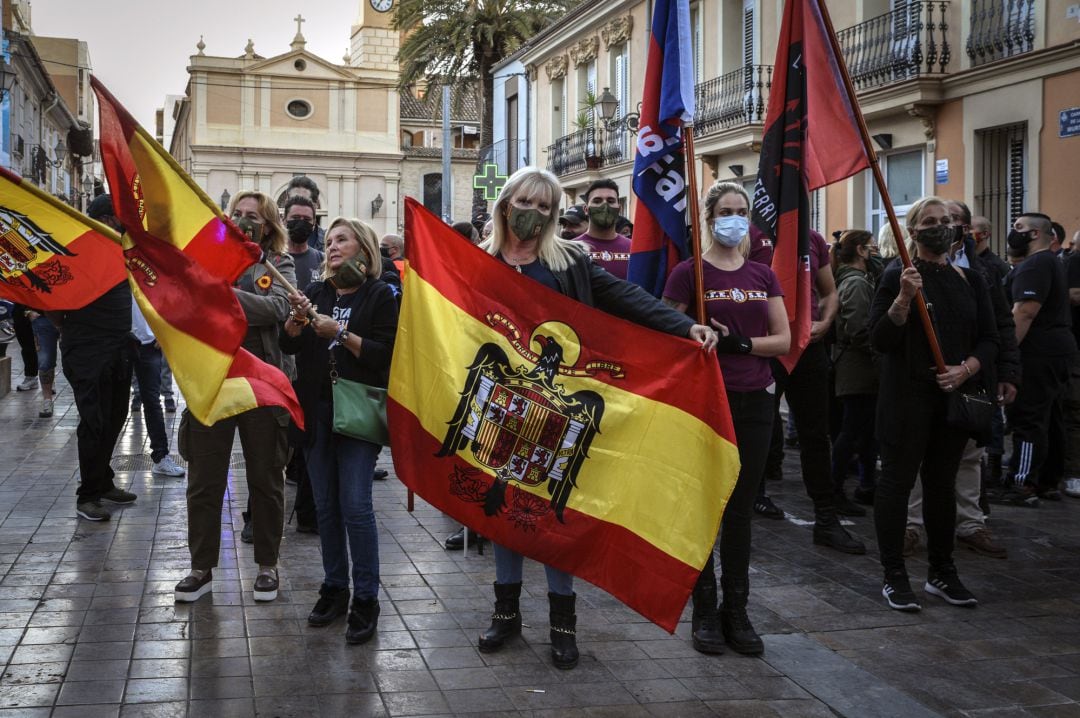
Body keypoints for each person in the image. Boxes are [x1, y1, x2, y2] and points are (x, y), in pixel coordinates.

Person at [474, 166, 717, 669]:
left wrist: (684, 325)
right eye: (527, 202)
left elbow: (626, 298)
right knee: (501, 510)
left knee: (554, 510)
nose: (534, 214)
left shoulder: (570, 261)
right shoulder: (478, 262)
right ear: (505, 204)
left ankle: (564, 626)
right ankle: (506, 615)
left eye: (546, 207)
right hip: (501, 404)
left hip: (558, 406)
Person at [663, 181, 790, 656]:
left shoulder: (763, 274)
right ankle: (704, 610)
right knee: (703, 508)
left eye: (741, 211)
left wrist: (739, 344)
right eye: (725, 211)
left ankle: (738, 611)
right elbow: (666, 329)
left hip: (755, 400)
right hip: (704, 402)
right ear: (709, 218)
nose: (734, 219)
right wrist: (693, 339)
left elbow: (783, 339)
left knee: (740, 508)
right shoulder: (688, 273)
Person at [868, 196, 998, 611]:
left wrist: (967, 369)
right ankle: (894, 576)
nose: (940, 226)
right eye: (930, 220)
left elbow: (991, 337)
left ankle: (942, 572)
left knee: (942, 485)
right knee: (897, 483)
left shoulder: (971, 280)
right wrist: (903, 299)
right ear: (913, 230)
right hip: (907, 399)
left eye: (945, 220)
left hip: (953, 397)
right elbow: (880, 339)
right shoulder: (898, 276)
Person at [174, 190, 296, 603]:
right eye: (238, 214)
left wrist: (220, 296)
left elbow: (276, 308)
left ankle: (267, 565)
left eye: (254, 217)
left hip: (259, 382)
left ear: (268, 225)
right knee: (204, 481)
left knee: (266, 478)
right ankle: (200, 567)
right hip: (213, 380)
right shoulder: (205, 262)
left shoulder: (278, 263)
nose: (245, 222)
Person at [282, 217, 398, 644]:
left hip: (357, 416)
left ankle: (366, 598)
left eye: (340, 240)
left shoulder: (379, 293)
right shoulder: (318, 292)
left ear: (362, 248)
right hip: (317, 412)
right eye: (327, 241)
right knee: (326, 507)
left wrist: (342, 333)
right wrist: (295, 323)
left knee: (355, 505)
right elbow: (290, 346)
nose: (330, 247)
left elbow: (385, 355)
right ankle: (334, 587)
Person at [989, 212, 1076, 505]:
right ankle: (1046, 481)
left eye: (1019, 228)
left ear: (1036, 234)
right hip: (1056, 351)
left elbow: (1024, 312)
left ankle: (1021, 483)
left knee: (1028, 418)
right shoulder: (1052, 262)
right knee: (1049, 418)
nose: (1013, 233)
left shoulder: (1036, 264)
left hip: (1038, 354)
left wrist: (1007, 356)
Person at [66, 194, 138, 521]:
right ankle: (87, 496)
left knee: (115, 416)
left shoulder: (120, 252)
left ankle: (103, 480)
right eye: (118, 218)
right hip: (87, 351)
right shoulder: (78, 252)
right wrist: (76, 331)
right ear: (106, 220)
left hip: (119, 348)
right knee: (93, 422)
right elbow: (54, 303)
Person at [830, 230, 880, 512]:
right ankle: (836, 489)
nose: (875, 252)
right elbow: (860, 329)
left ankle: (867, 485)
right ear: (860, 251)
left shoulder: (853, 281)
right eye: (870, 247)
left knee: (864, 432)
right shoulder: (857, 284)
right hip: (858, 368)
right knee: (852, 430)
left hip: (857, 366)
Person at [129, 299, 185, 478]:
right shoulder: (111, 274)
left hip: (148, 344)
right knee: (112, 403)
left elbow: (166, 299)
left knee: (152, 401)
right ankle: (97, 464)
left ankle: (161, 457)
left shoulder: (147, 272)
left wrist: (163, 332)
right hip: (119, 343)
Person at [575, 179, 632, 279]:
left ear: (619, 208)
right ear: (586, 209)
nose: (605, 206)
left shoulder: (633, 249)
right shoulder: (571, 249)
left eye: (610, 201)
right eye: (597, 201)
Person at [285, 195, 325, 290]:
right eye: (296, 217)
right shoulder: (272, 260)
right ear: (284, 220)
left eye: (307, 219)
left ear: (314, 224)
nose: (301, 223)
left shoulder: (323, 261)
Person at [25, 307, 59, 418]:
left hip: (72, 316)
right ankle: (47, 400)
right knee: (45, 360)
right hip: (43, 316)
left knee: (76, 361)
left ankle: (81, 399)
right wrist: (28, 311)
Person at [286, 176, 325, 250]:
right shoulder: (273, 241)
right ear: (286, 202)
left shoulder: (329, 242)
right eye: (294, 200)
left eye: (305, 202)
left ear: (316, 204)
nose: (299, 206)